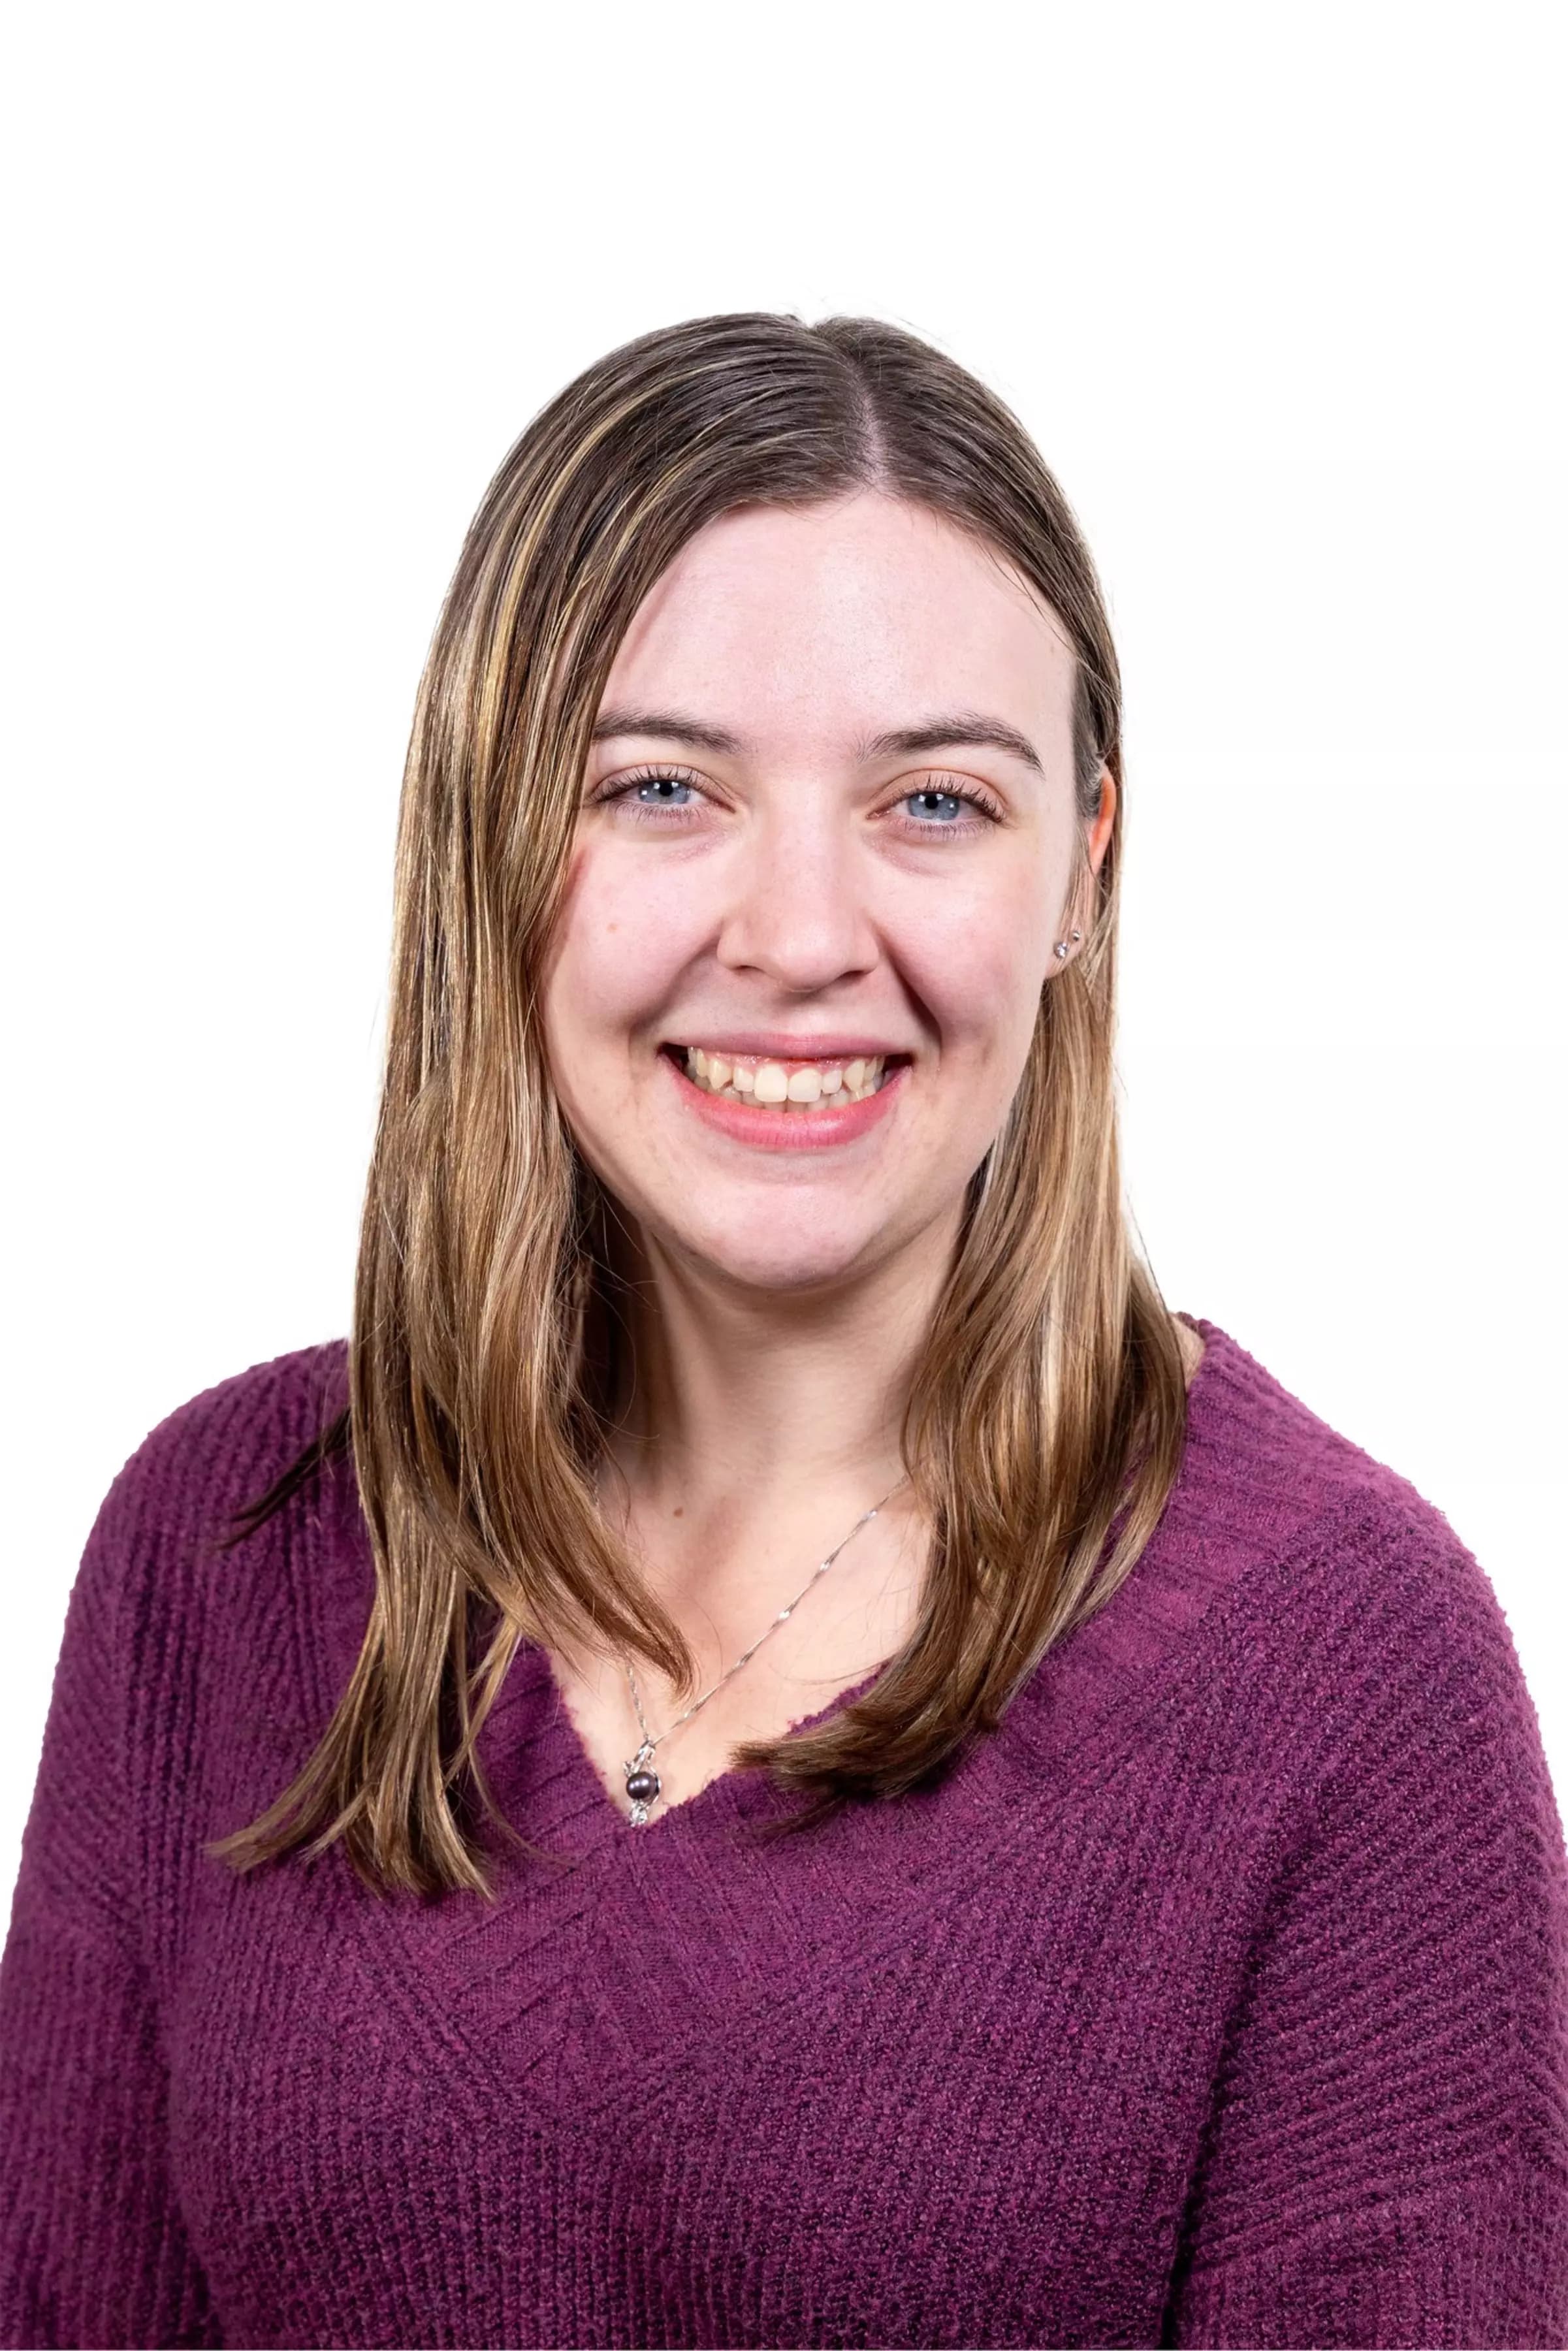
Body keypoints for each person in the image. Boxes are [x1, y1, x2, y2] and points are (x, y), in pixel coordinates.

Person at [1, 312, 1564, 2351]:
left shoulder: (1349, 1669)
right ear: (492, 843)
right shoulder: (228, 1548)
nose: (802, 935)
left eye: (932, 803)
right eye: (661, 790)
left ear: (1082, 866)